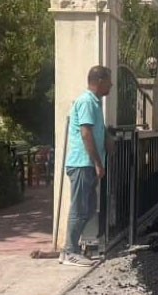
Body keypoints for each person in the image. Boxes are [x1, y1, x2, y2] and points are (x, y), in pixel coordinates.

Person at [61, 66, 113, 267]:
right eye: (109, 80)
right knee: (80, 208)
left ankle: (74, 248)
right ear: (99, 80)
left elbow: (95, 130)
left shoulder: (95, 103)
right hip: (83, 164)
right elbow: (86, 134)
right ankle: (69, 252)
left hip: (87, 165)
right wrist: (98, 163)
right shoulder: (86, 102)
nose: (111, 84)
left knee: (89, 208)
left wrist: (108, 137)